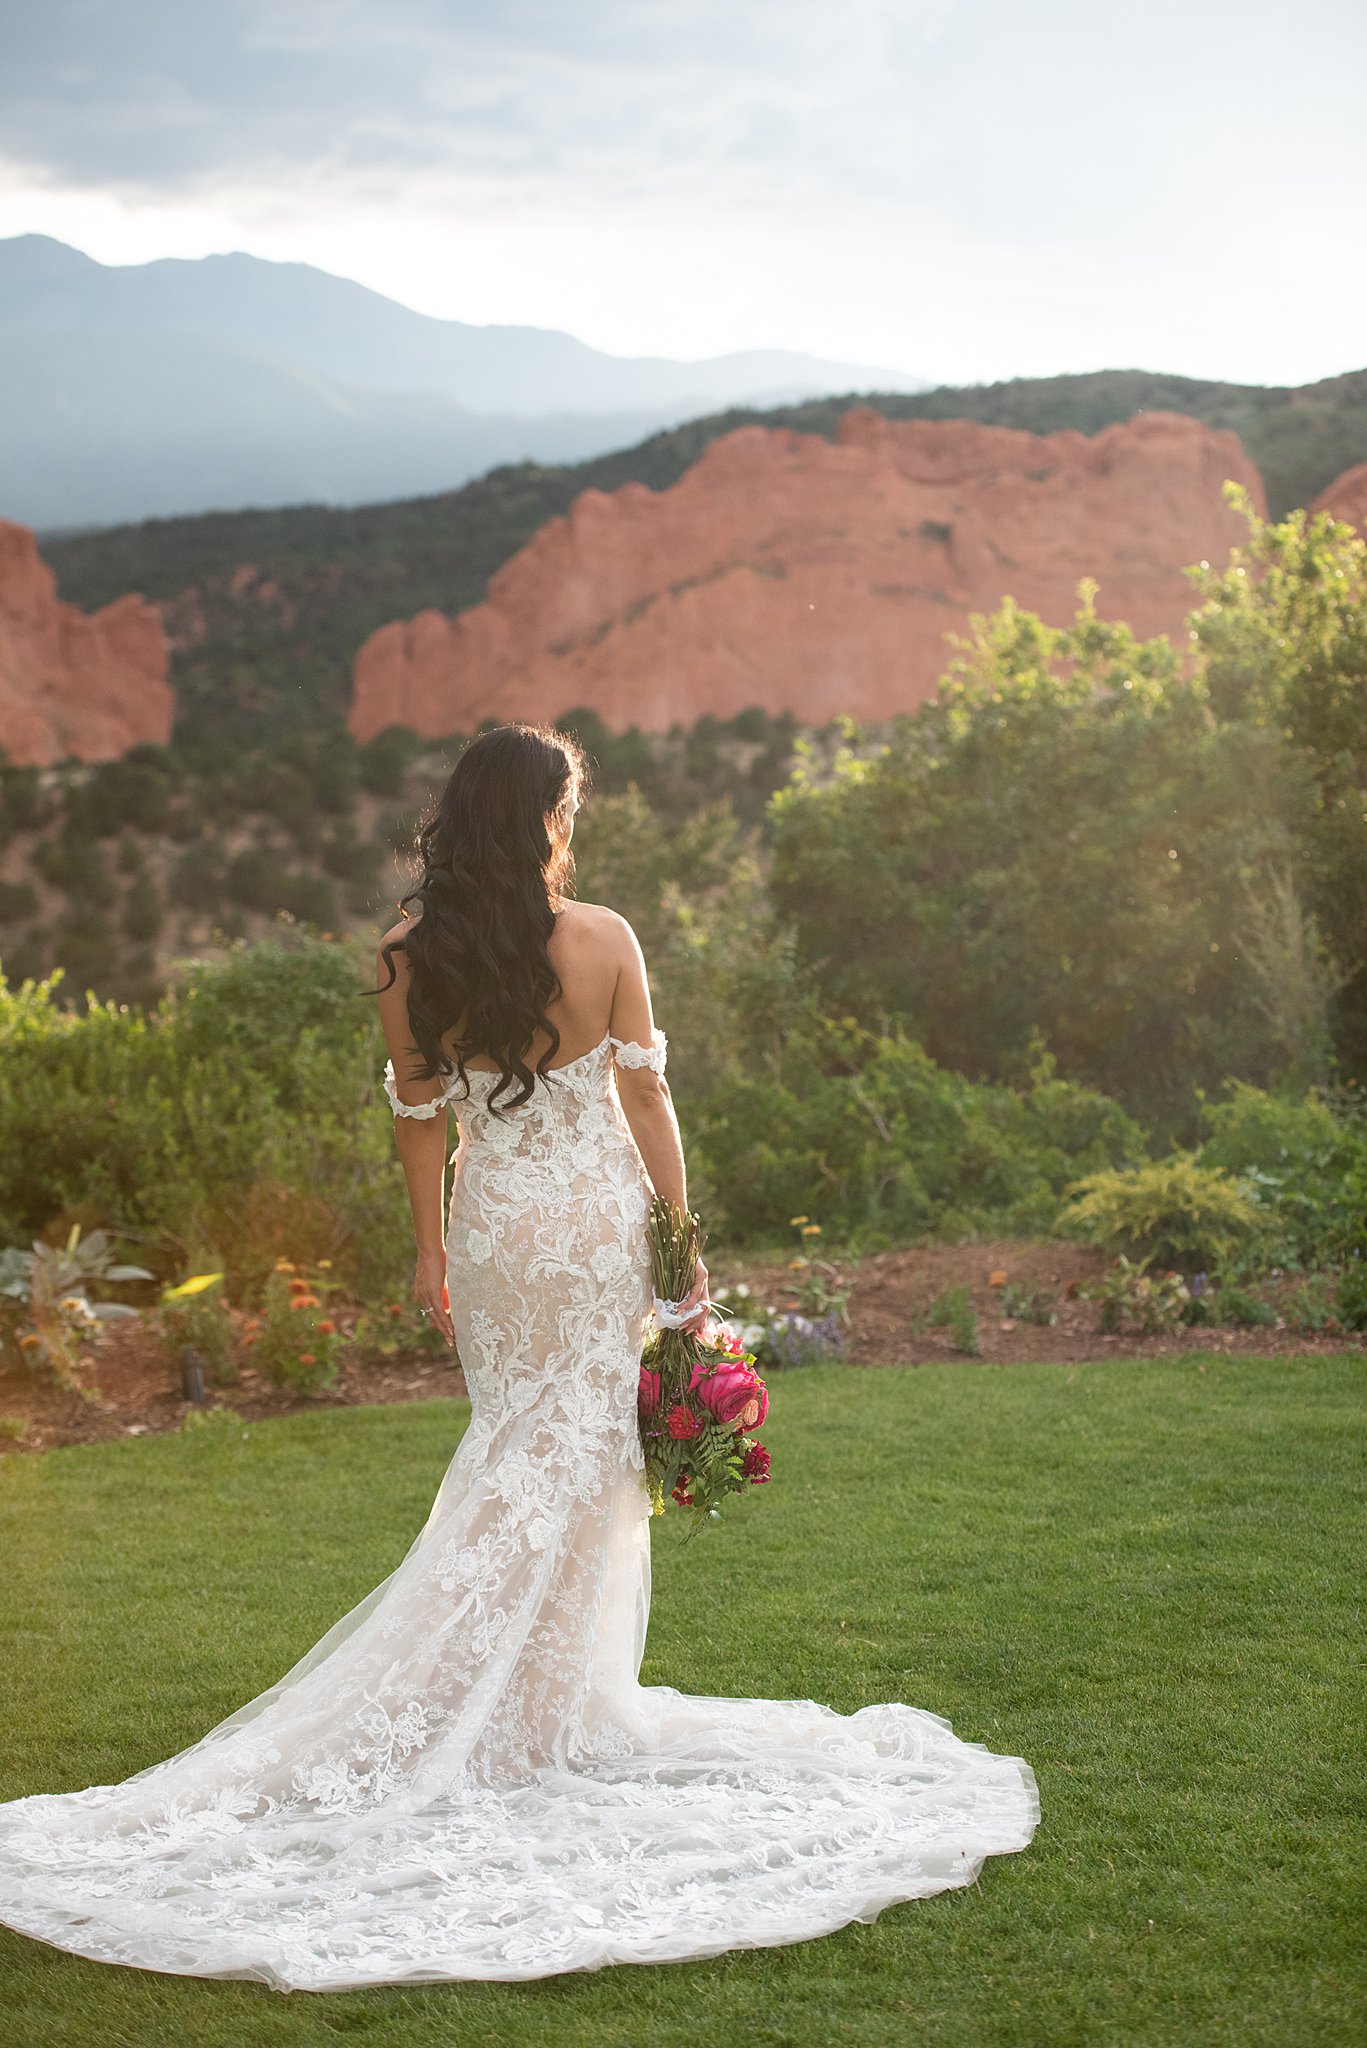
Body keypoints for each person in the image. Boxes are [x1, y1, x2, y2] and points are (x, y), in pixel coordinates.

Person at [0, 722, 1037, 1990]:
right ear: (545, 815)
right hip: (595, 1225)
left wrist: (430, 1252)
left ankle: (529, 1707)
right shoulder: (604, 937)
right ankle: (532, 1711)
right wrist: (680, 1236)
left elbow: (418, 1116)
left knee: (518, 1445)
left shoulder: (403, 956)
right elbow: (645, 1098)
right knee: (582, 1457)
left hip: (496, 1235)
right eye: (568, 805)